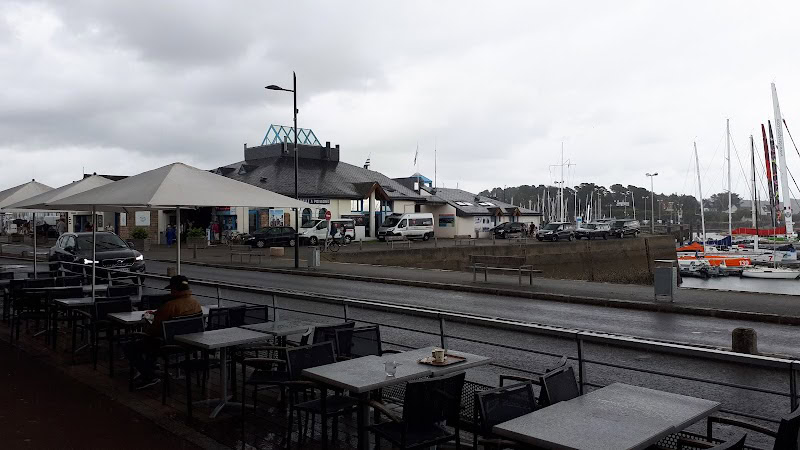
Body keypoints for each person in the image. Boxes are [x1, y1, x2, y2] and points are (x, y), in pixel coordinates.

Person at [122, 275, 203, 390]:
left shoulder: (169, 306)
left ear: (174, 289)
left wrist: (147, 319)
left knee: (130, 347)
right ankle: (151, 368)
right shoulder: (195, 303)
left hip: (167, 346)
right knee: (151, 344)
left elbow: (153, 330)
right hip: (189, 344)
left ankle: (149, 376)